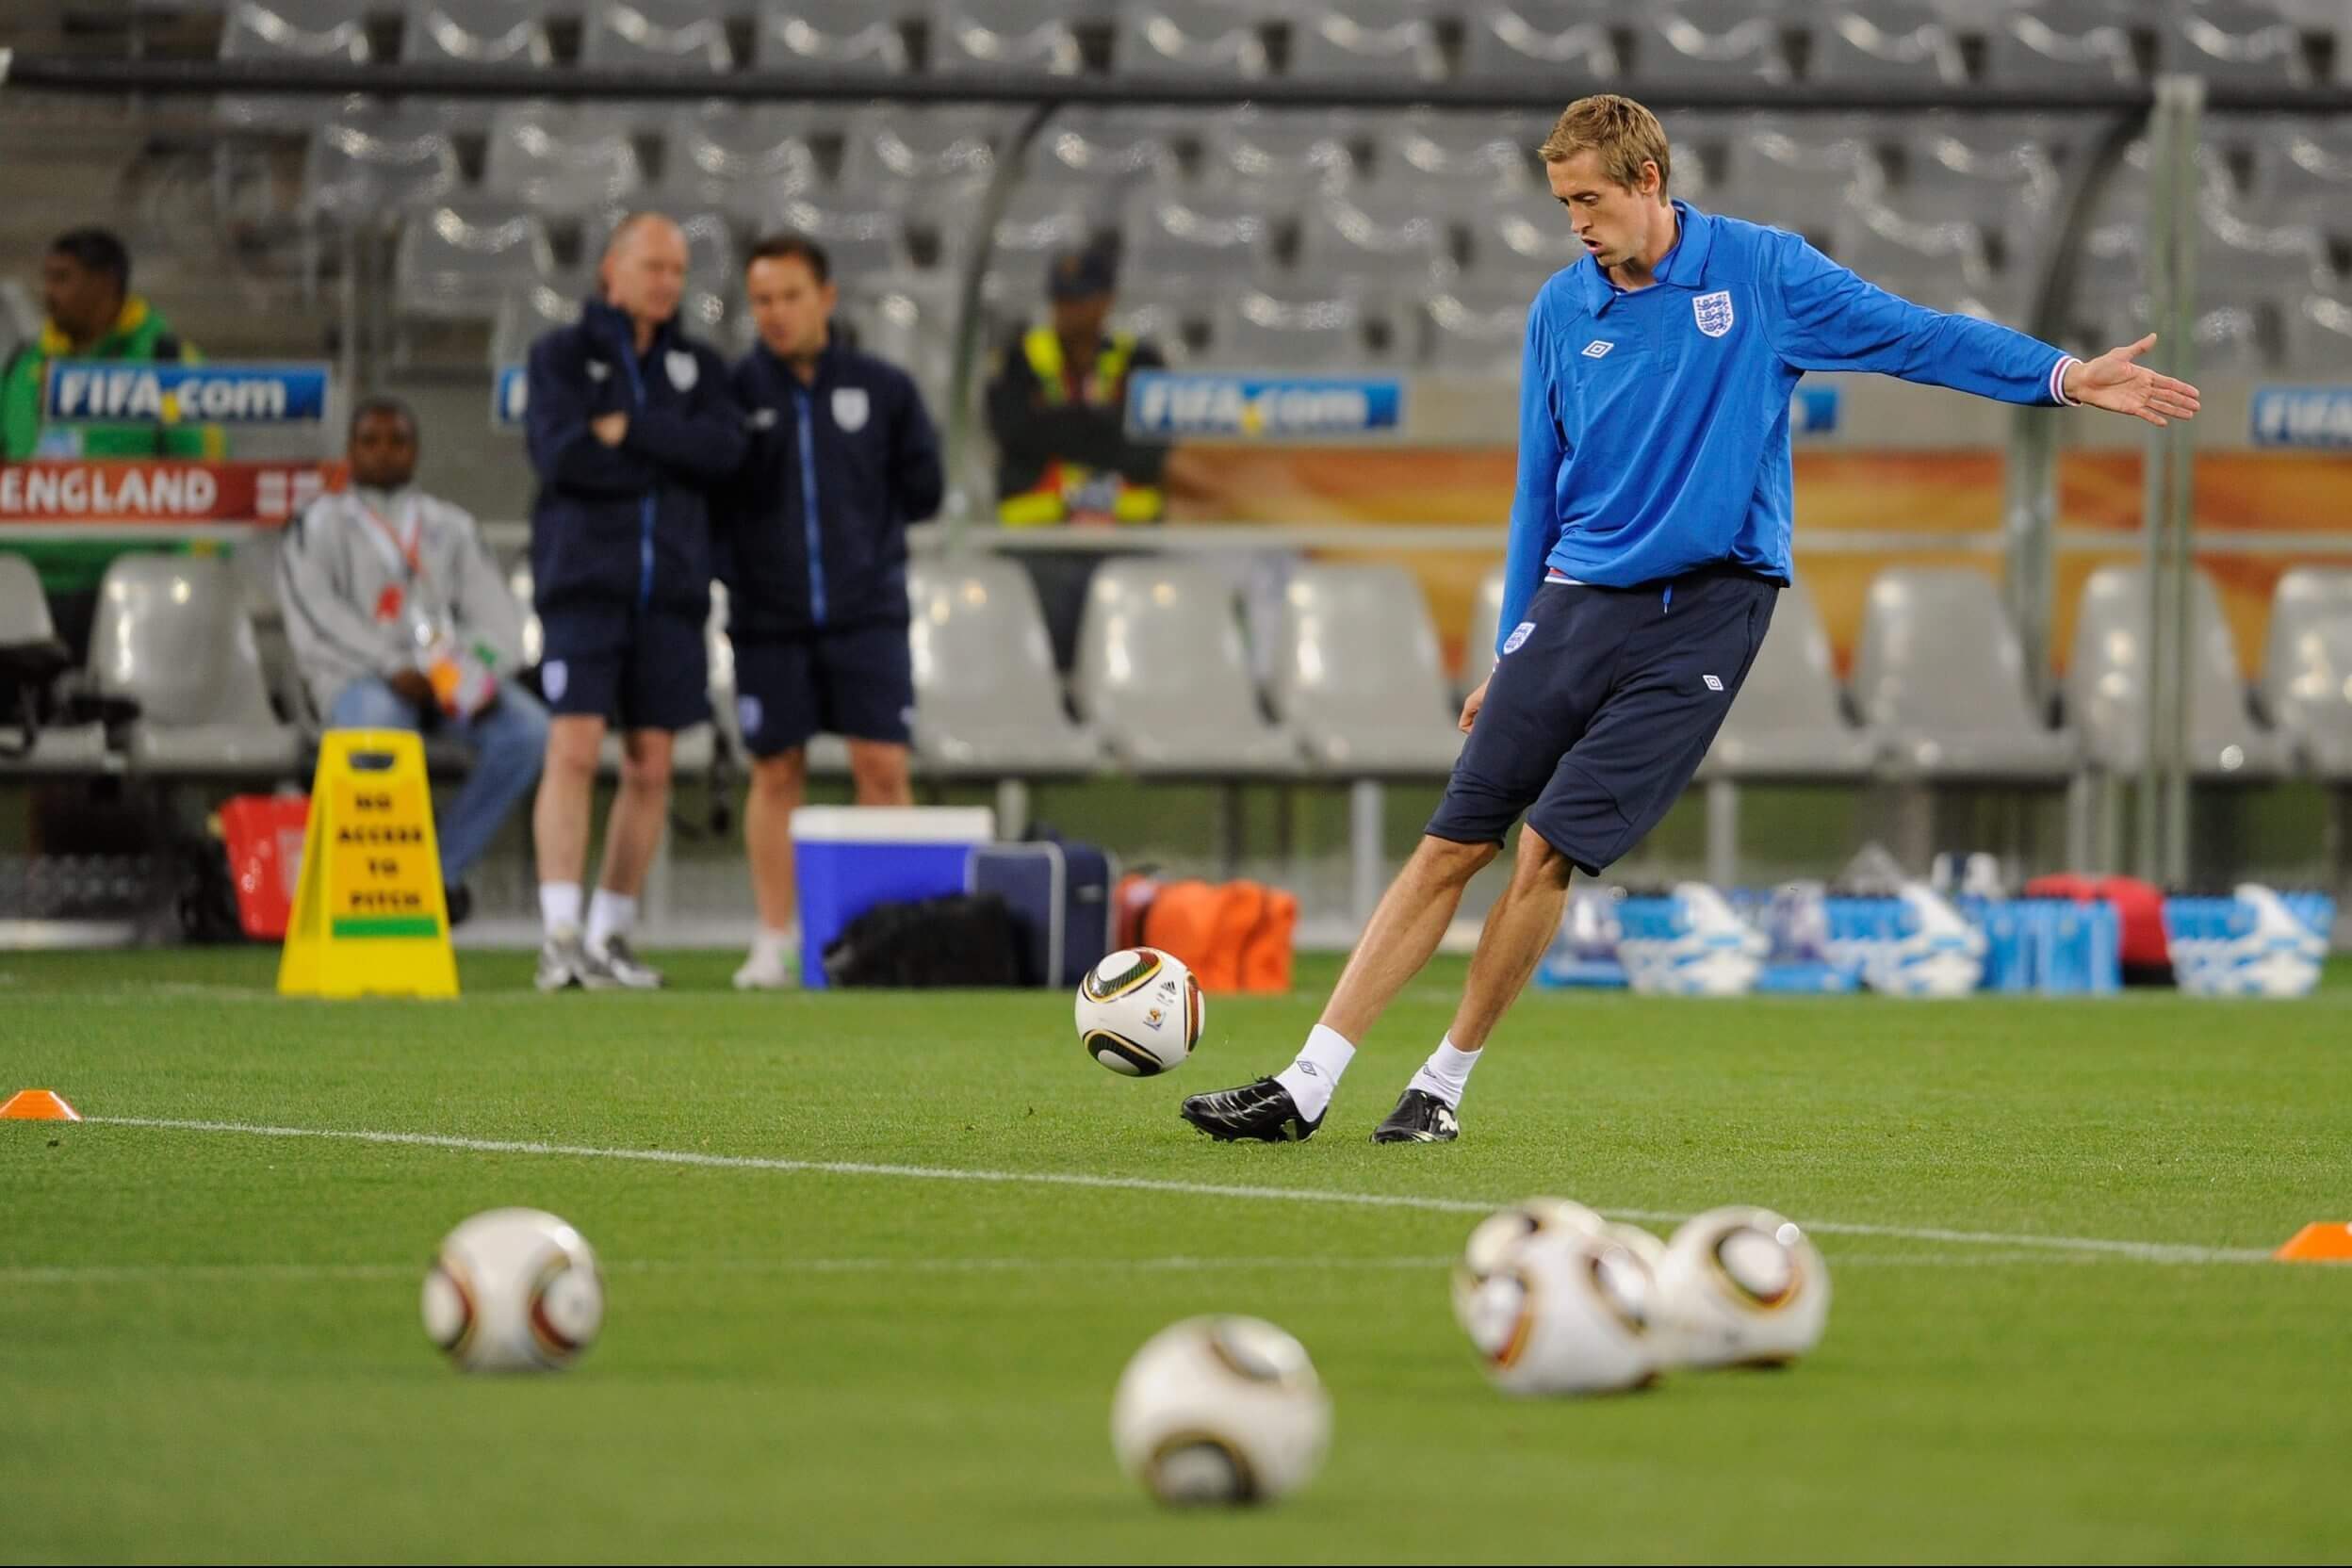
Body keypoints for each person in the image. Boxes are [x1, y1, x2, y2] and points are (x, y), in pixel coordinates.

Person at [1179, 93, 2201, 1147]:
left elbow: (1914, 336)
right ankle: (1304, 1082)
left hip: (1707, 613)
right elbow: (1541, 485)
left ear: (1648, 184)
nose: (1575, 221)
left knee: (1545, 848)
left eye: (1589, 199)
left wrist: (2065, 377)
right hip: (1575, 602)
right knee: (1452, 840)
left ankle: (1440, 1085)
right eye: (1562, 202)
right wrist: (1511, 644)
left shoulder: (1763, 274)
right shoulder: (1560, 310)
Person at [524, 212, 745, 990]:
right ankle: (558, 934)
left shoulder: (699, 366)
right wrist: (666, 456)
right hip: (582, 587)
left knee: (651, 767)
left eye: (678, 271)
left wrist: (636, 433)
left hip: (673, 594)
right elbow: (562, 455)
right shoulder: (560, 357)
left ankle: (609, 934)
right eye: (654, 266)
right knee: (575, 748)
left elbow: (726, 453)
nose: (667, 284)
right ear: (610, 270)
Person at [720, 234, 943, 990]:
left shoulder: (884, 389)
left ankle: (894, 940)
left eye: (789, 296)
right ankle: (774, 939)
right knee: (775, 770)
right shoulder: (732, 395)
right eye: (761, 300)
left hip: (867, 614)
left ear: (826, 297)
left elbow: (926, 489)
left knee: (881, 766)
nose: (775, 313)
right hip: (766, 617)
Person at [277, 397, 546, 923]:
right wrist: (390, 663)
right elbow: (319, 616)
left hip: (444, 684)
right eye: (370, 441)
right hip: (357, 679)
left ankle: (434, 875)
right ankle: (373, 884)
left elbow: (499, 621)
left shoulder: (451, 526)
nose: (383, 453)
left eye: (396, 441)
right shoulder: (317, 524)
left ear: (415, 451)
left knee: (529, 731)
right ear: (350, 451)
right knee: (381, 721)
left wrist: (466, 669)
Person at [1, 226, 224, 656]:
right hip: (19, 586)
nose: (48, 292)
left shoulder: (168, 364)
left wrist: (184, 585)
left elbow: (210, 480)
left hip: (126, 591)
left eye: (62, 278)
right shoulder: (21, 365)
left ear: (104, 283)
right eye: (47, 277)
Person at [983, 237, 1169, 669]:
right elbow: (1013, 434)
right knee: (1034, 663)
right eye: (1061, 299)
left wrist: (1057, 425)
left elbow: (1147, 456)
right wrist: (1104, 427)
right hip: (1040, 541)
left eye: (1080, 299)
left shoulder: (1142, 361)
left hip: (1126, 538)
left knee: (1136, 658)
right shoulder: (1019, 358)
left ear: (1106, 300)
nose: (1067, 310)